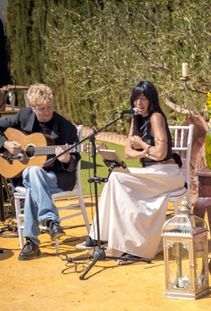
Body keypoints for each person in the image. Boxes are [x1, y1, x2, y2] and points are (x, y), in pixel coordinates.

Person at [79, 80, 184, 261]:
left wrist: (142, 146)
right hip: (152, 173)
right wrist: (143, 151)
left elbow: (161, 153)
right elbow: (128, 152)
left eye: (143, 99)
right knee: (115, 176)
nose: (139, 103)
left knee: (118, 179)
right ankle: (99, 236)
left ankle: (129, 244)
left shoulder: (156, 117)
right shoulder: (136, 120)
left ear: (151, 100)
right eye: (136, 99)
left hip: (167, 173)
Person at [0, 83, 80, 260]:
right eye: (42, 109)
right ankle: (50, 222)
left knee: (33, 173)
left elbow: (75, 162)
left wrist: (67, 159)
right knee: (34, 173)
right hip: (27, 177)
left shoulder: (66, 128)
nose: (47, 112)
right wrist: (5, 143)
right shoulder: (23, 116)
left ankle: (33, 241)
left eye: (50, 107)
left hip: (57, 178)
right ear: (32, 108)